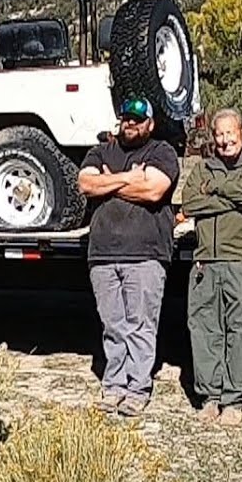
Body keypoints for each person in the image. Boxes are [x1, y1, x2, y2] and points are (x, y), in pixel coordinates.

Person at [78, 96, 181, 417]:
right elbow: (85, 184)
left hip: (146, 253)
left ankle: (137, 388)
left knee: (140, 324)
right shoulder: (100, 152)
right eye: (126, 118)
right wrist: (128, 178)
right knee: (113, 324)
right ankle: (114, 386)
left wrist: (108, 180)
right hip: (103, 254)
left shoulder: (161, 152)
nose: (131, 124)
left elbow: (153, 191)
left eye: (138, 119)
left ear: (151, 124)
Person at [179, 108, 242, 427]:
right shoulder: (203, 168)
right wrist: (233, 197)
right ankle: (210, 396)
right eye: (219, 134)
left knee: (240, 330)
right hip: (205, 261)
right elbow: (190, 204)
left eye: (231, 133)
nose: (225, 139)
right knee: (204, 329)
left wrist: (216, 189)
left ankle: (234, 399)